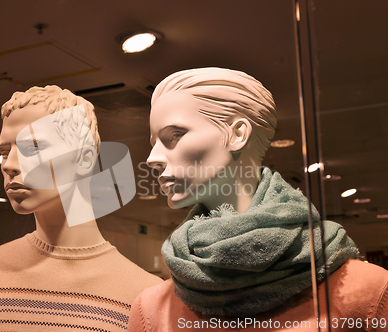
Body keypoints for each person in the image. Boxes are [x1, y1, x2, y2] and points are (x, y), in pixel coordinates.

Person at [128, 68, 388, 331]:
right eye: (153, 142)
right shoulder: (152, 311)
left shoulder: (366, 293)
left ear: (238, 134)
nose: (152, 158)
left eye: (174, 135)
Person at [0, 85, 162, 332]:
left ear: (85, 158)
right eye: (4, 152)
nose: (9, 165)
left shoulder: (146, 300)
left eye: (33, 147)